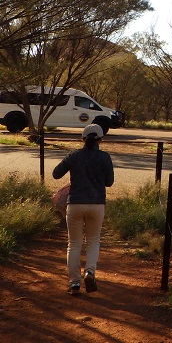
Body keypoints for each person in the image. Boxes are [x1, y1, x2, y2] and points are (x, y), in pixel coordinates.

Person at [52, 123, 115, 295]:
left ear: (82, 139)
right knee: (93, 241)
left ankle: (74, 283)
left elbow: (56, 173)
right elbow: (109, 182)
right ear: (100, 140)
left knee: (74, 244)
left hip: (75, 204)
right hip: (96, 204)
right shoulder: (104, 157)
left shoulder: (74, 156)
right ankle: (90, 272)